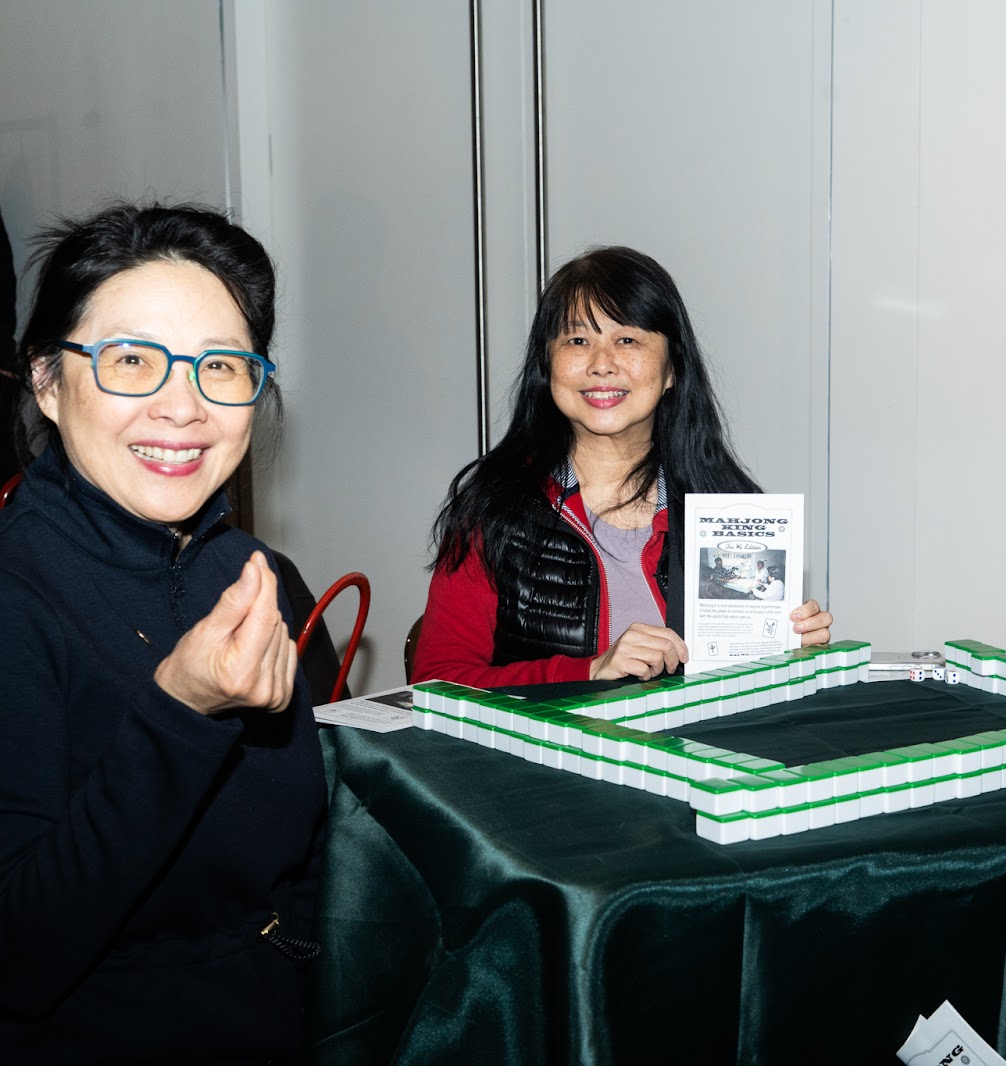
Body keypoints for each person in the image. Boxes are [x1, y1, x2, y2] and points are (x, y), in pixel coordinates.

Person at [0, 204, 326, 1060]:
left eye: (221, 367)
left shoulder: (251, 576)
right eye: (133, 361)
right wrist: (179, 713)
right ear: (45, 381)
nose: (181, 409)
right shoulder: (16, 595)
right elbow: (19, 957)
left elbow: (297, 862)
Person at [414, 246, 832, 685]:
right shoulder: (494, 506)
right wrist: (587, 672)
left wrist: (789, 654)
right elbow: (436, 684)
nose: (601, 364)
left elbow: (747, 692)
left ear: (672, 369)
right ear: (547, 364)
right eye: (577, 341)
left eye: (627, 340)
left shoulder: (730, 508)